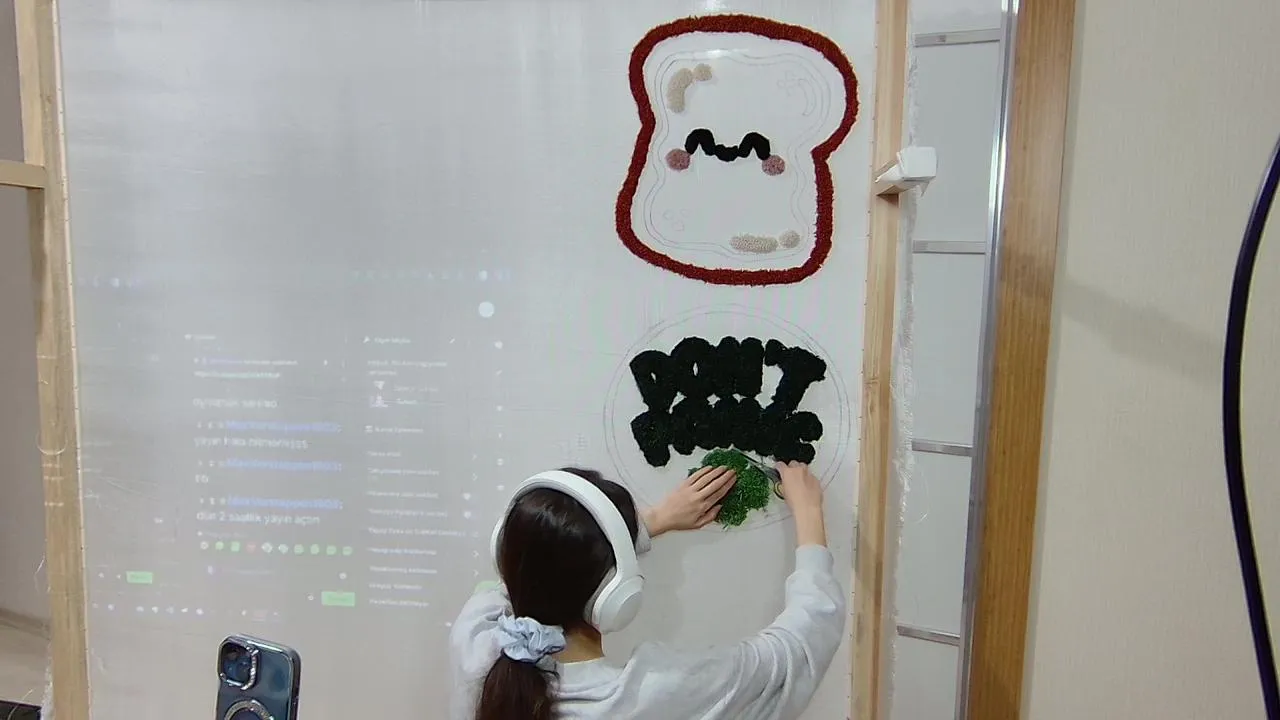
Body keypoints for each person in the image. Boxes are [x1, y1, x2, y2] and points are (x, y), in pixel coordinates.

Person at [449, 461, 845, 720]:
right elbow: (797, 649)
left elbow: (528, 566)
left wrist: (652, 521)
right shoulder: (652, 693)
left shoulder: (476, 642)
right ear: (614, 596)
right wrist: (809, 512)